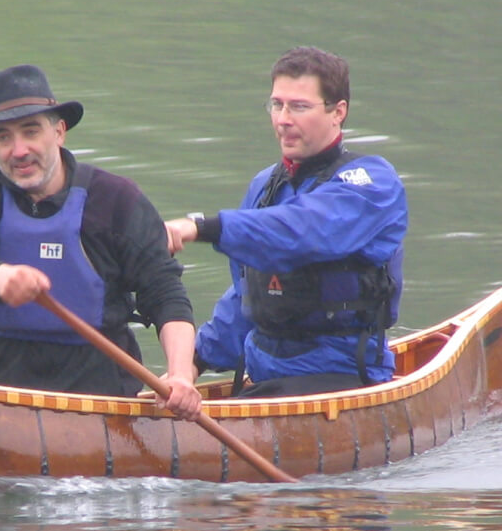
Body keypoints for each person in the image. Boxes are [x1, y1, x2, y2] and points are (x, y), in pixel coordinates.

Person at [0, 64, 202, 419]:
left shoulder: (116, 200)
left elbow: (166, 293)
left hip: (104, 399)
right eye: (3, 137)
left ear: (59, 131)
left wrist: (182, 377)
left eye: (30, 132)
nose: (18, 150)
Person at [164, 47, 407, 397]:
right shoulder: (265, 186)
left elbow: (302, 231)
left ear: (338, 112)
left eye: (300, 107)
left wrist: (200, 227)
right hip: (263, 377)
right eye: (277, 105)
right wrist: (192, 363)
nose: (283, 119)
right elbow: (248, 292)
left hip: (340, 380)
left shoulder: (373, 184)